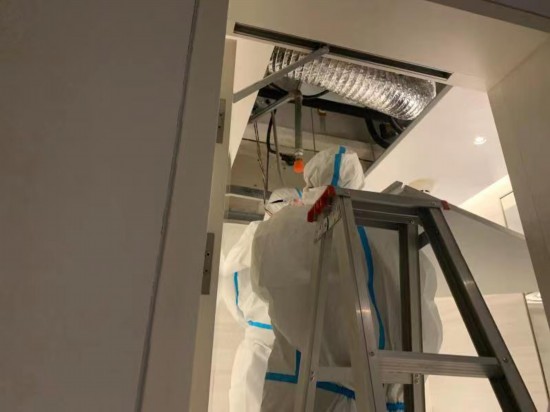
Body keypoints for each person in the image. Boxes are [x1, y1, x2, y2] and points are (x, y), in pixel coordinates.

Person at [250, 146, 442, 411]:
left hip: (307, 392)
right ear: (360, 183)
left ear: (311, 183)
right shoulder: (393, 230)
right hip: (393, 397)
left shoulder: (280, 227)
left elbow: (263, 288)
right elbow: (424, 317)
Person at [220, 188, 303, 412]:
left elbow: (230, 279)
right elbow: (230, 276)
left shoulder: (259, 235)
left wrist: (246, 319)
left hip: (271, 342)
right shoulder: (260, 234)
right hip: (271, 342)